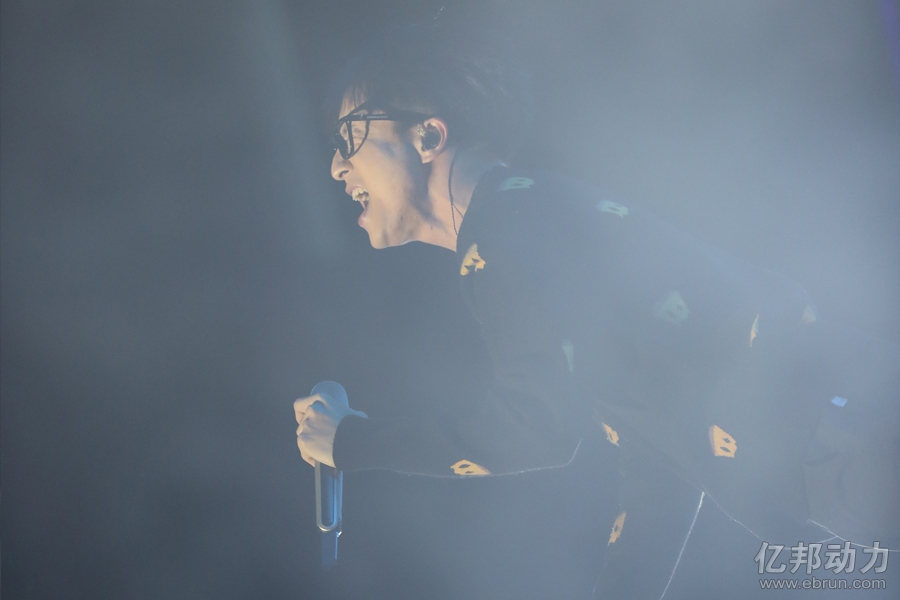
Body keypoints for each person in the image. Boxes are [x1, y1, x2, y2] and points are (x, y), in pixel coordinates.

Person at [294, 24, 899, 598]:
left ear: (428, 136)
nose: (337, 166)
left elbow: (536, 425)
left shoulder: (503, 231)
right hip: (844, 436)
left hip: (848, 428)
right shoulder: (529, 215)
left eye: (349, 136)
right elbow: (657, 465)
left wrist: (354, 443)